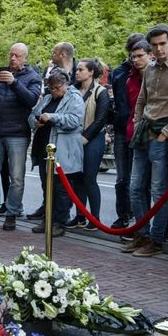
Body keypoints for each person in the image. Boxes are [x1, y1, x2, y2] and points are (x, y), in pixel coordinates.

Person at [124, 24, 168, 258]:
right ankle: (142, 234)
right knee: (135, 188)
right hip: (144, 131)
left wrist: (166, 133)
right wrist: (137, 124)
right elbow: (142, 100)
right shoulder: (151, 68)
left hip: (163, 134)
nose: (159, 49)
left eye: (162, 43)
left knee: (158, 190)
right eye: (154, 45)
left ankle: (156, 239)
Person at [29, 72, 83, 237]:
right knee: (47, 188)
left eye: (57, 88)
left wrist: (52, 117)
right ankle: (47, 220)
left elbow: (75, 121)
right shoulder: (47, 98)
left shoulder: (75, 98)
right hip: (43, 148)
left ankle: (59, 222)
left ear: (66, 85)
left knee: (61, 189)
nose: (53, 91)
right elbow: (32, 115)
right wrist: (35, 121)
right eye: (50, 88)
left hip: (62, 151)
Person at [108, 34, 147, 229]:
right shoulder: (119, 72)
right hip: (122, 127)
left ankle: (140, 220)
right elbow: (118, 99)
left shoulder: (148, 72)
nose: (135, 58)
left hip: (141, 129)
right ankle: (123, 214)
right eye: (132, 54)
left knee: (138, 180)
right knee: (122, 177)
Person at [70, 58, 111, 229]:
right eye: (77, 70)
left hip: (93, 138)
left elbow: (101, 119)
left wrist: (84, 139)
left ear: (91, 72)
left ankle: (95, 218)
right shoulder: (73, 90)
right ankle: (80, 216)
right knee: (77, 178)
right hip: (74, 138)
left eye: (81, 70)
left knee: (89, 178)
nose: (77, 72)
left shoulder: (100, 92)